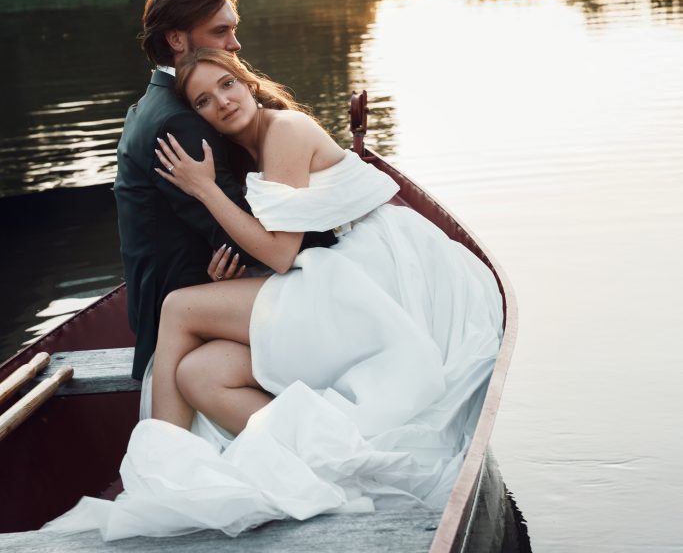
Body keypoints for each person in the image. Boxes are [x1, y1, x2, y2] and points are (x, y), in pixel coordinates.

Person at [46, 48, 504, 540]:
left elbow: (282, 252)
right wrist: (234, 268)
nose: (222, 102)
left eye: (227, 84)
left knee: (178, 307)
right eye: (203, 101)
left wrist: (204, 188)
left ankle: (163, 475)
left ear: (249, 83)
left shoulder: (283, 130)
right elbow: (278, 241)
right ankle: (326, 460)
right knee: (199, 374)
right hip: (335, 275)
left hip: (374, 277)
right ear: (197, 117)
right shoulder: (245, 150)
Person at [114, 0, 336, 380]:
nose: (235, 44)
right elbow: (249, 242)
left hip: (179, 293)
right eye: (220, 31)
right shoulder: (179, 121)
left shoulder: (148, 106)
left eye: (234, 29)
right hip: (187, 304)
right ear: (176, 39)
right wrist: (333, 241)